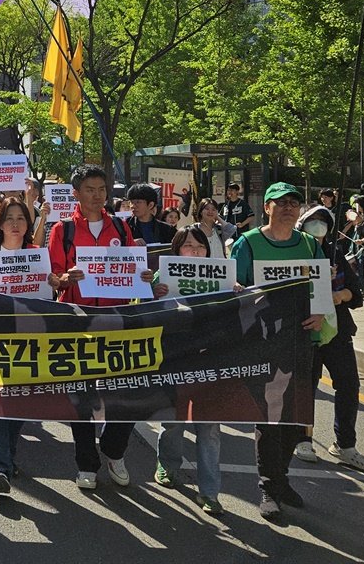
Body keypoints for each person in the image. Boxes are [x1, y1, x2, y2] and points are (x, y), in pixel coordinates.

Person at [49, 165, 168, 490]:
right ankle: (86, 463)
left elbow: (132, 268)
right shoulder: (63, 230)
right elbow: (54, 277)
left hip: (118, 322)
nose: (97, 194)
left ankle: (115, 451)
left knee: (126, 393)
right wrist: (64, 278)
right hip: (79, 322)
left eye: (101, 188)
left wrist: (143, 278)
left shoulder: (119, 225)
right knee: (82, 397)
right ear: (76, 192)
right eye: (89, 188)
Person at [229, 182, 326, 522]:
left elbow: (322, 286)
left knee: (295, 416)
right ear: (267, 207)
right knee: (269, 417)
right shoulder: (248, 243)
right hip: (262, 343)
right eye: (280, 202)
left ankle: (282, 480)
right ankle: (269, 487)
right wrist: (239, 290)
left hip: (302, 342)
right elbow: (232, 289)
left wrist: (321, 311)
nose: (288, 207)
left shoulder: (311, 244)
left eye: (293, 202)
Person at [0, 197, 50, 494]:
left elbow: (50, 298)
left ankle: (8, 456)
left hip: (28, 339)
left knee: (18, 403)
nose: (15, 224)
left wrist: (55, 282)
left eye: (21, 218)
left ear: (28, 224)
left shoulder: (38, 255)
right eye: (9, 218)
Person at [291, 205, 364, 472]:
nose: (317, 226)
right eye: (311, 222)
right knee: (306, 386)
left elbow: (355, 293)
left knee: (349, 385)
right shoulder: (293, 255)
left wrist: (338, 296)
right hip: (304, 331)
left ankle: (345, 444)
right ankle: (303, 438)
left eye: (322, 222)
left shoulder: (336, 254)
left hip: (337, 331)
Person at [154, 225, 227, 515]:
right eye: (188, 247)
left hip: (210, 362)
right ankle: (168, 465)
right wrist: (152, 293)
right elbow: (140, 312)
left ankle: (210, 492)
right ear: (177, 250)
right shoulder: (162, 278)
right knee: (173, 421)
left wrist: (236, 293)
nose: (195, 252)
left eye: (200, 247)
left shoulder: (222, 277)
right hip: (174, 360)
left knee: (209, 429)